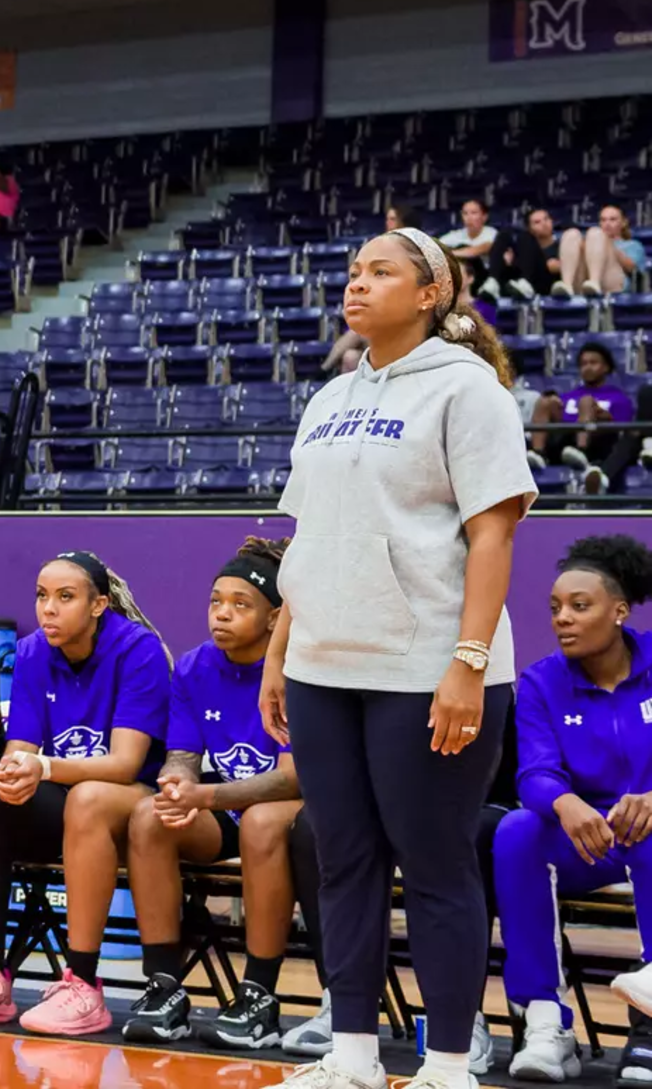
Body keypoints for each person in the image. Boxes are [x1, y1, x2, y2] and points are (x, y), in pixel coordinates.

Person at [262, 224, 534, 1089]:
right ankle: (350, 1055)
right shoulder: (330, 397)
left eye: (381, 271)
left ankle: (448, 1064)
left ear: (430, 293)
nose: (357, 283)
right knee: (342, 857)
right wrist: (281, 650)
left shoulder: (469, 390)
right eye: (353, 270)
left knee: (437, 863)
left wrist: (468, 661)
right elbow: (310, 537)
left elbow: (493, 535)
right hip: (323, 665)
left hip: (427, 668)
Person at [0, 550, 172, 1035]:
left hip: (133, 798)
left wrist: (43, 767)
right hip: (67, 794)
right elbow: (21, 749)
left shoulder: (139, 649)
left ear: (98, 605)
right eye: (41, 596)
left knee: (89, 797)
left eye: (65, 597)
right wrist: (13, 772)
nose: (48, 608)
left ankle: (84, 985)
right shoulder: (31, 652)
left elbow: (125, 764)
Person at [123, 538, 304, 1048]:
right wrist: (177, 783)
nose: (221, 614)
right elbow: (182, 754)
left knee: (261, 822)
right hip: (225, 808)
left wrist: (206, 797)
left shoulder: (296, 669)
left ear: (274, 618)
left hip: (291, 811)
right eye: (215, 601)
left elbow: (293, 778)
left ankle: (258, 996)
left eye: (240, 604)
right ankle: (163, 988)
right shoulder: (193, 666)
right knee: (150, 815)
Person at [493, 534, 652, 1082]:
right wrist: (565, 803)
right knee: (517, 831)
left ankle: (649, 1024)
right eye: (556, 607)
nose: (563, 618)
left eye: (579, 606)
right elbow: (534, 771)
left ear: (619, 611)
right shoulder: (541, 681)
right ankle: (546, 1025)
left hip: (648, 832)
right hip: (587, 837)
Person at [530, 339, 639, 496]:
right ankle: (538, 453)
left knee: (586, 402)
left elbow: (622, 432)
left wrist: (603, 416)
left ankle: (581, 451)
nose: (587, 367)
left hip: (600, 443)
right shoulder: (569, 395)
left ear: (606, 367)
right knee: (545, 402)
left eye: (593, 363)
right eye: (583, 364)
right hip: (566, 440)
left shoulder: (618, 398)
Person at [558, 203, 647, 297]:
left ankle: (594, 282)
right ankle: (567, 285)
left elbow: (633, 269)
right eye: (603, 220)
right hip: (582, 284)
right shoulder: (591, 239)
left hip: (614, 285)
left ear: (624, 222)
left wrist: (609, 247)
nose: (607, 224)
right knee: (571, 234)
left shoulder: (633, 245)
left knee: (595, 233)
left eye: (612, 219)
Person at [442, 199, 501, 269]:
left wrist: (451, 254)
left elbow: (484, 248)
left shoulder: (491, 233)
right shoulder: (456, 234)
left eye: (474, 213)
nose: (469, 218)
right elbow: (435, 246)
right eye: (465, 213)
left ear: (484, 216)